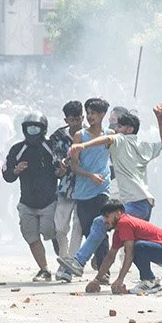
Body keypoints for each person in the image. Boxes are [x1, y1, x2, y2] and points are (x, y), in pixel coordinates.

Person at [60, 105, 162, 285]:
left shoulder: (120, 140)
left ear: (128, 129)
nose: (115, 129)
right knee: (136, 244)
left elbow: (107, 138)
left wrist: (81, 145)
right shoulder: (143, 145)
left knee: (100, 222)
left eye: (119, 126)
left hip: (135, 203)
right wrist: (159, 118)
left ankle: (79, 262)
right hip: (144, 203)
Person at [55, 98, 113, 283]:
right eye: (88, 113)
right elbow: (74, 167)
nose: (90, 116)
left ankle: (103, 270)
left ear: (102, 115)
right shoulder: (80, 136)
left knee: (102, 227)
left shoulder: (109, 134)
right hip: (82, 191)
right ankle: (87, 262)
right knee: (89, 230)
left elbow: (114, 150)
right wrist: (90, 176)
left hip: (102, 189)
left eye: (93, 113)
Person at [2, 112, 60, 281]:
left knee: (48, 231)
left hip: (49, 200)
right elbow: (7, 175)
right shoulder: (17, 149)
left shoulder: (51, 147)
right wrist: (16, 170)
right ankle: (44, 270)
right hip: (27, 202)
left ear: (43, 130)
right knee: (31, 236)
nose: (32, 131)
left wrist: (60, 171)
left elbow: (61, 167)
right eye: (29, 128)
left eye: (36, 128)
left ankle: (57, 242)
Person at [99, 201, 162, 296]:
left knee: (137, 247)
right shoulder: (118, 231)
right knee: (137, 248)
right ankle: (157, 280)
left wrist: (120, 280)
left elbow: (129, 255)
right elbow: (110, 256)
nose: (105, 221)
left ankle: (149, 280)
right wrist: (97, 280)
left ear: (118, 213)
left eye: (107, 217)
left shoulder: (124, 222)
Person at [49, 101, 84, 260]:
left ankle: (72, 261)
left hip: (85, 186)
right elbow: (55, 157)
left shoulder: (90, 135)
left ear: (83, 117)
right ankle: (64, 257)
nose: (76, 123)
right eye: (72, 120)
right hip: (65, 187)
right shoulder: (58, 136)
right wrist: (61, 165)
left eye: (78, 119)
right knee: (60, 227)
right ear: (66, 121)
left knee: (78, 225)